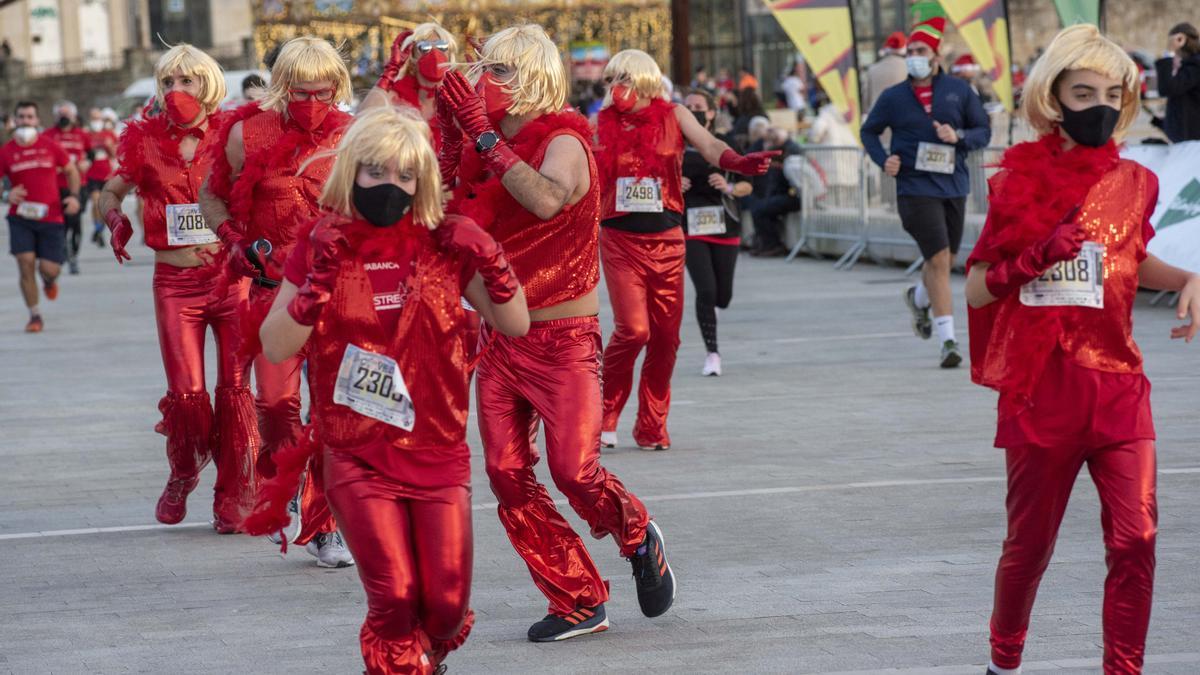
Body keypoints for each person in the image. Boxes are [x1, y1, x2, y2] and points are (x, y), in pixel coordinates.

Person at [252, 106, 529, 675]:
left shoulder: (445, 244)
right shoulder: (320, 243)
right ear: (351, 172)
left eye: (405, 175)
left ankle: (420, 658)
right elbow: (275, 346)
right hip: (358, 454)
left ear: (422, 179)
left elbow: (515, 323)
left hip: (438, 451)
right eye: (376, 172)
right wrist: (314, 290)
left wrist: (491, 257)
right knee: (396, 600)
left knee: (447, 611)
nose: (390, 186)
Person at [964, 24, 1200, 675]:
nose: (1098, 103)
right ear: (1053, 97)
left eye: (1111, 91)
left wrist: (1184, 278)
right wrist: (1032, 259)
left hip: (1122, 386)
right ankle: (1003, 661)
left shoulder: (1137, 181)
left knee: (1138, 538)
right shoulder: (1013, 182)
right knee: (1029, 545)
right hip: (1044, 393)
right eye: (1083, 90)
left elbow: (1129, 259)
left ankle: (1124, 669)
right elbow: (980, 290)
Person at [438, 24, 676, 642]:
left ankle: (635, 532)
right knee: (505, 473)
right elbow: (441, 212)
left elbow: (546, 198)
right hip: (500, 339)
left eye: (502, 71)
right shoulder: (477, 145)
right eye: (483, 70)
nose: (487, 82)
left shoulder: (566, 137)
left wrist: (485, 136)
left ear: (533, 77)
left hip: (564, 339)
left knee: (574, 468)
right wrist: (447, 134)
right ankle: (577, 595)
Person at [198, 36, 355, 564]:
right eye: (302, 92)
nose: (313, 102)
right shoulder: (245, 133)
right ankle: (282, 479)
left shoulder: (356, 136)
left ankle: (323, 525)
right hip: (272, 296)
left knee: (333, 415)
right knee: (276, 406)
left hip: (339, 298)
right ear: (282, 88)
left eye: (324, 92)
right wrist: (233, 241)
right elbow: (211, 194)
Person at [95, 44, 258, 530]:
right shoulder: (143, 142)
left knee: (235, 392)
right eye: (167, 82)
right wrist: (113, 217)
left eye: (185, 81)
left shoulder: (233, 135)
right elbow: (110, 190)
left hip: (232, 281)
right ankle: (184, 470)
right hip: (174, 282)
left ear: (207, 84)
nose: (175, 91)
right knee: (187, 396)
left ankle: (235, 494)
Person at [596, 50, 774, 450]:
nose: (613, 88)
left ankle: (652, 425)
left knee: (665, 338)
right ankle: (606, 413)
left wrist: (741, 163)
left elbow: (710, 146)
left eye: (620, 78)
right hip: (620, 240)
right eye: (610, 80)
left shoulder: (674, 116)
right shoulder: (599, 123)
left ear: (642, 79)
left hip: (667, 240)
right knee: (633, 330)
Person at [861, 17, 991, 368]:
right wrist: (883, 159)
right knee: (936, 258)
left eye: (921, 51)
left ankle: (919, 299)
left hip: (953, 183)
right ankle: (948, 340)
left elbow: (983, 131)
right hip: (914, 186)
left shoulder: (959, 91)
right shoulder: (893, 98)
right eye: (911, 52)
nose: (914, 56)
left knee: (945, 260)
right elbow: (869, 132)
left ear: (935, 55)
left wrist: (959, 137)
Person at [682, 89, 752, 377]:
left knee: (723, 297)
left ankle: (714, 309)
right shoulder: (672, 145)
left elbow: (748, 184)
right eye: (687, 107)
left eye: (698, 107)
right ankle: (713, 353)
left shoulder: (726, 143)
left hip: (725, 224)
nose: (693, 111)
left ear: (711, 112)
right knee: (706, 291)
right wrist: (673, 183)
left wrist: (729, 187)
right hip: (690, 226)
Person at [1, 101, 80, 332]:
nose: (25, 121)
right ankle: (35, 315)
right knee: (25, 263)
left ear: (37, 120)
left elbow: (71, 170)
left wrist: (74, 197)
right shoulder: (6, 151)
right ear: (15, 121)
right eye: (21, 117)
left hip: (51, 216)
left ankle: (48, 280)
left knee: (49, 268)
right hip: (20, 218)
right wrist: (7, 193)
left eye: (30, 117)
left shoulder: (50, 146)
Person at [359, 22, 457, 150]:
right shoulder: (395, 95)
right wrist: (391, 70)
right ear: (413, 57)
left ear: (450, 55)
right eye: (424, 47)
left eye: (442, 46)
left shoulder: (459, 98)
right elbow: (362, 121)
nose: (434, 53)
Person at [43, 100, 90, 275]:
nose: (64, 117)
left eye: (67, 114)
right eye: (60, 114)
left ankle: (74, 253)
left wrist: (87, 162)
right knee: (59, 222)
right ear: (56, 116)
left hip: (78, 186)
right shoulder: (48, 135)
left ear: (73, 116)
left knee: (75, 222)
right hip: (56, 186)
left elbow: (91, 153)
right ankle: (63, 252)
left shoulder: (82, 135)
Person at [744, 127, 800, 257]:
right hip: (783, 194)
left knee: (760, 209)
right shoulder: (783, 151)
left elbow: (793, 183)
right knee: (759, 207)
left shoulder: (791, 153)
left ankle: (772, 245)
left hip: (794, 196)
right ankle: (764, 243)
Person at [1153, 22, 1200, 142]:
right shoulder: (1191, 65)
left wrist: (1169, 51)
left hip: (1190, 138)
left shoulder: (1195, 66)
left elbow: (1167, 88)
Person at [85, 107, 119, 247]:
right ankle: (97, 228)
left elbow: (115, 154)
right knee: (95, 202)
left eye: (98, 118)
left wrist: (109, 146)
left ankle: (99, 230)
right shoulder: (86, 135)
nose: (96, 121)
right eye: (93, 118)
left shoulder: (109, 134)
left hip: (106, 173)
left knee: (104, 206)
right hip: (91, 173)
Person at [863, 31, 908, 114]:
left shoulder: (872, 69)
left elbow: (866, 102)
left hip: (877, 120)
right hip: (902, 119)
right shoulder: (909, 67)